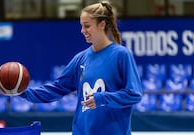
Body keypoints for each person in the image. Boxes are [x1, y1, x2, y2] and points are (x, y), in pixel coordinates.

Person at [19, 1, 143, 135]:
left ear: (102, 25)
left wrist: (102, 98)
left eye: (87, 26)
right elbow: (57, 88)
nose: (82, 31)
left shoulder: (121, 55)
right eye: (82, 26)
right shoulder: (80, 58)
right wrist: (23, 92)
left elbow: (134, 94)